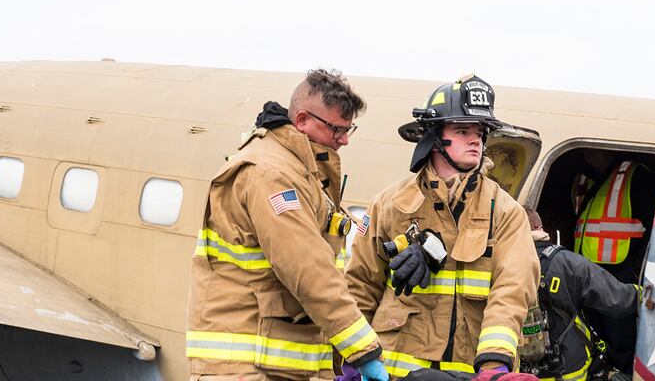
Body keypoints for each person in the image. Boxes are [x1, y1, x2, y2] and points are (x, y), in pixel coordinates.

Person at [187, 69, 387, 381]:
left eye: (350, 129)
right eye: (337, 129)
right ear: (304, 119)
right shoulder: (271, 173)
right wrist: (363, 351)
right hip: (246, 368)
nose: (345, 139)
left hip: (278, 365)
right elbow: (308, 269)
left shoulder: (301, 172)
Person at [345, 75, 539, 379]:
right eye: (463, 130)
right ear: (434, 137)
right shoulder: (389, 204)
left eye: (480, 132)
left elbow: (512, 290)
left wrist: (495, 364)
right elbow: (360, 285)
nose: (476, 139)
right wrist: (353, 358)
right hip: (394, 370)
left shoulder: (505, 212)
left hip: (472, 371)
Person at [520, 208, 641, 380]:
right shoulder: (569, 263)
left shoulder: (502, 264)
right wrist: (643, 294)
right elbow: (617, 300)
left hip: (522, 370)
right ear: (539, 228)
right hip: (569, 369)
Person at [570, 149, 654, 374]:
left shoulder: (635, 174)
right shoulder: (587, 179)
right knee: (593, 335)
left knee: (621, 339)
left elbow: (653, 225)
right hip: (586, 271)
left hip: (620, 273)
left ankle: (623, 375)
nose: (589, 153)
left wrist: (638, 268)